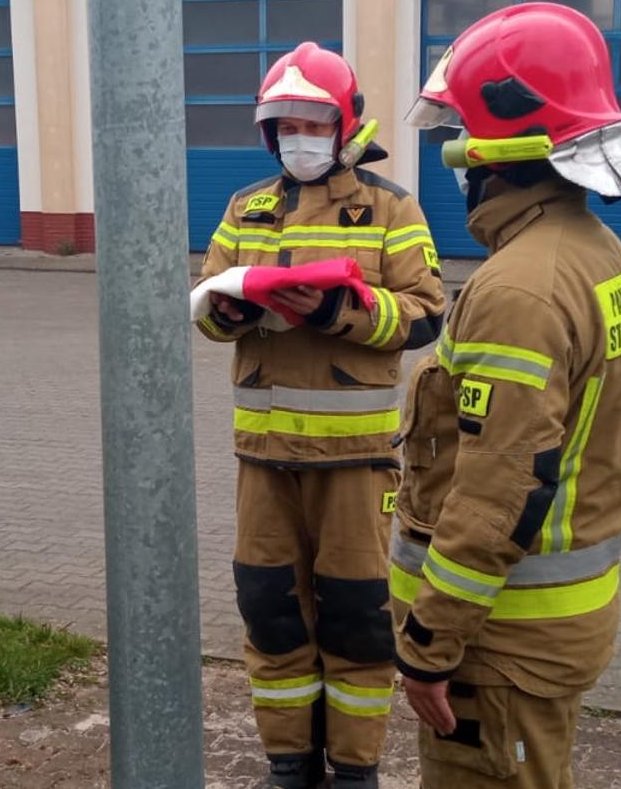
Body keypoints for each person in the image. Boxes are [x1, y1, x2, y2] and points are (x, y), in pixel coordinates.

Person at [391, 2, 621, 789]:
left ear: (502, 148)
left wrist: (428, 645)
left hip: (498, 643)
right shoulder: (597, 252)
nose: (458, 157)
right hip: (547, 635)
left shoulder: (519, 288)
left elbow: (499, 488)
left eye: (464, 136)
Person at [195, 42, 448, 789]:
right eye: (284, 126)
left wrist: (343, 309)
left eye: (312, 123)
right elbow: (208, 304)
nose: (297, 138)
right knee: (270, 616)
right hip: (263, 461)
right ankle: (288, 762)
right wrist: (231, 307)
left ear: (345, 125)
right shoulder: (248, 207)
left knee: (358, 622)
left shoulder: (391, 207)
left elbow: (428, 314)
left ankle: (356, 767)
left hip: (356, 463)